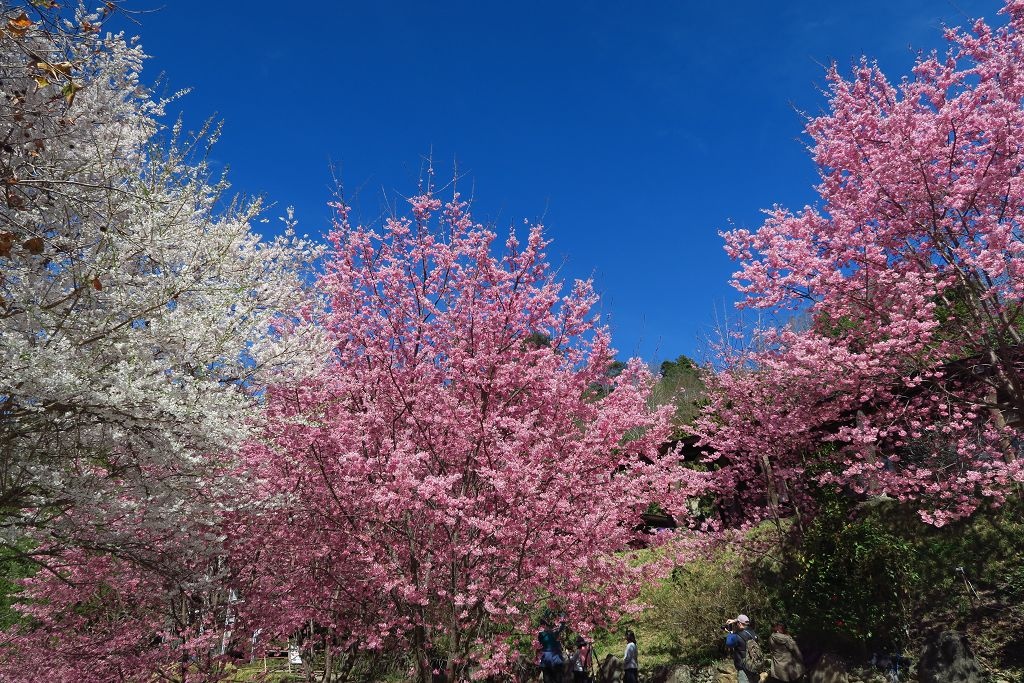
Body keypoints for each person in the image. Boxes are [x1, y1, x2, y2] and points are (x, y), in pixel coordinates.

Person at [724, 614, 760, 683]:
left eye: (737, 623)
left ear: (739, 623)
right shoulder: (752, 632)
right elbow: (744, 621)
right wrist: (735, 620)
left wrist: (730, 633)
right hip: (754, 664)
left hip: (743, 667)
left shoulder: (737, 636)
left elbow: (728, 644)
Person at [537, 618, 566, 683]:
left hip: (546, 660)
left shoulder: (540, 635)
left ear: (544, 625)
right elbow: (562, 625)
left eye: (541, 625)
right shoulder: (553, 633)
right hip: (555, 659)